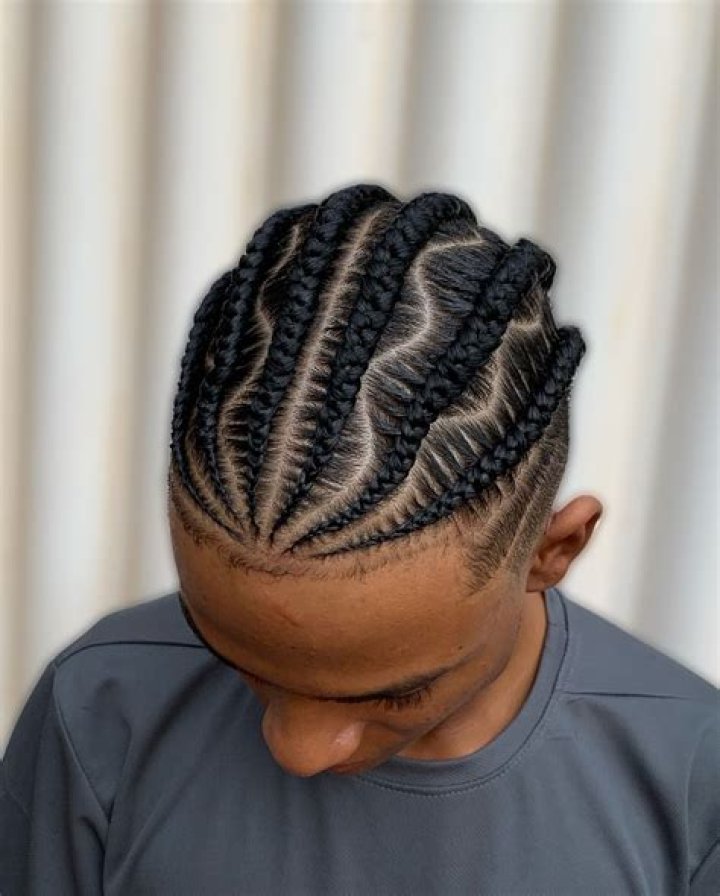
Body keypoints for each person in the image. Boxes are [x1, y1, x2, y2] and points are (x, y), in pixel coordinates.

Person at [1, 184, 718, 895]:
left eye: (398, 695)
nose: (299, 751)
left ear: (553, 552)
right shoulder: (96, 708)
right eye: (232, 655)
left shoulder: (692, 779)